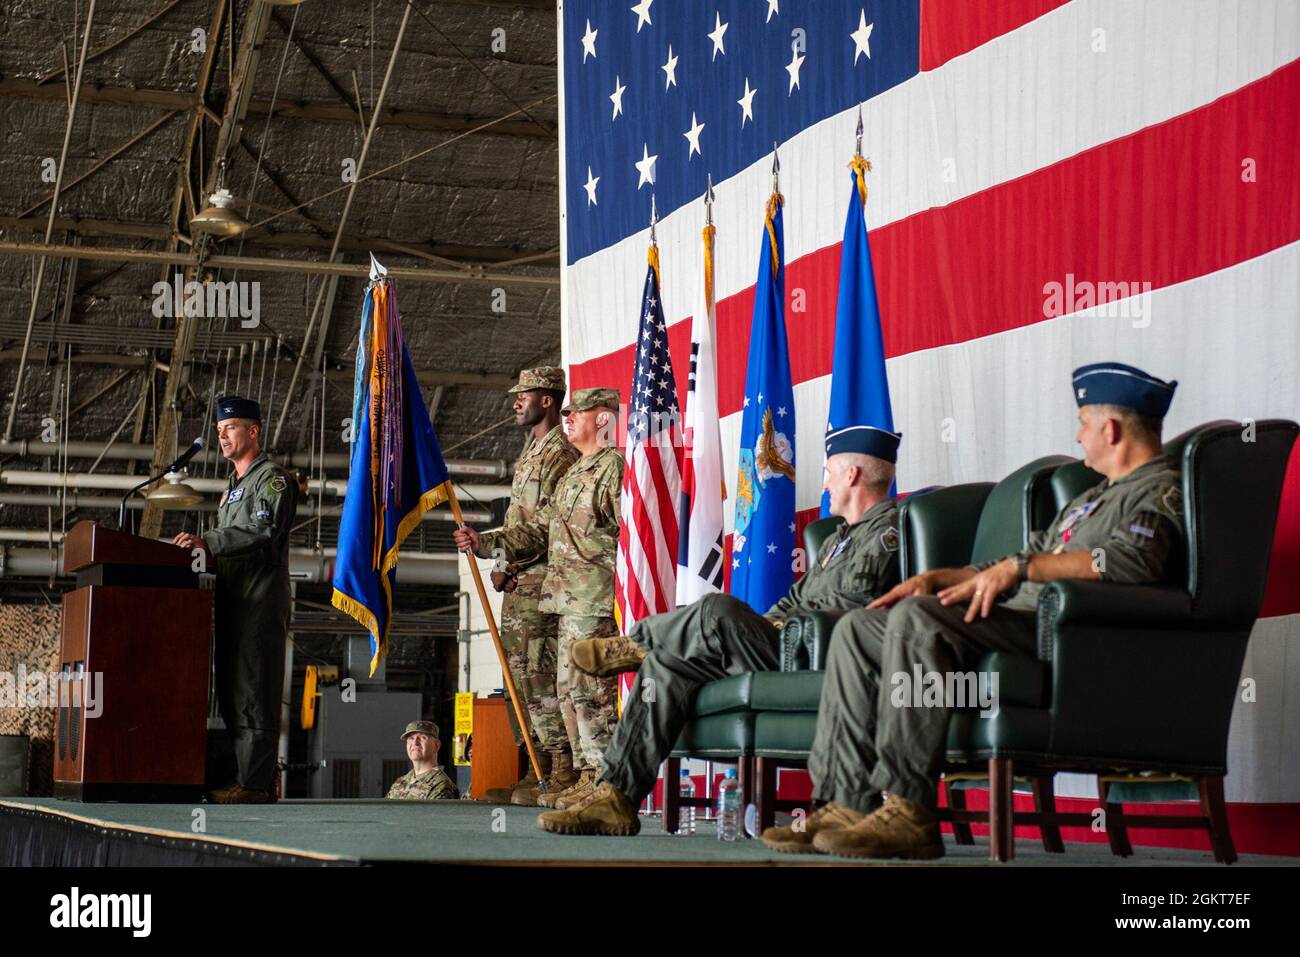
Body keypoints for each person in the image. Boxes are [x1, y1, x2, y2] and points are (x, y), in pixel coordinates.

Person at [762, 362, 1184, 858]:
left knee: (917, 619)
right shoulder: (1090, 500)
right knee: (859, 628)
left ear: (1110, 430)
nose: (1079, 434)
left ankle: (908, 809)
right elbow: (1015, 562)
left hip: (1062, 632)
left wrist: (1023, 569)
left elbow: (1129, 563)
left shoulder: (1159, 489)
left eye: (1084, 423)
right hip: (1018, 619)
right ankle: (847, 801)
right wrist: (942, 577)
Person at [537, 425, 906, 836]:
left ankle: (636, 642)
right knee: (666, 667)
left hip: (817, 659)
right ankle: (616, 796)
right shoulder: (837, 540)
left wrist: (776, 624)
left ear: (852, 475)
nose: (825, 482)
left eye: (829, 472)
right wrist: (768, 622)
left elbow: (854, 602)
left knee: (715, 608)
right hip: (786, 647)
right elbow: (791, 601)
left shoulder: (889, 531)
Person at [453, 388, 624, 813]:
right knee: (567, 690)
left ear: (602, 419)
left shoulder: (613, 469)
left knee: (593, 692)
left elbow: (633, 539)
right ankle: (586, 776)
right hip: (565, 601)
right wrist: (486, 541)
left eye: (577, 412)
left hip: (595, 598)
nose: (568, 418)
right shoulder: (574, 474)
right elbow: (538, 530)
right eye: (566, 412)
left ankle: (606, 781)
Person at [172, 395, 298, 805]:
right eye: (219, 431)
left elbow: (261, 531)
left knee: (253, 690)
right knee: (232, 689)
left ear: (253, 431)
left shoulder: (272, 479)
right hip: (233, 600)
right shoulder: (235, 487)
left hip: (258, 603)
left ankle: (256, 784)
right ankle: (247, 777)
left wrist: (206, 540)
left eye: (230, 428)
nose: (222, 436)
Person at [483, 367, 581, 806]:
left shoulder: (561, 454)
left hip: (543, 585)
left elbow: (546, 528)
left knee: (541, 677)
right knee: (517, 679)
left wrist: (490, 545)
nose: (515, 402)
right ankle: (534, 768)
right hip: (519, 583)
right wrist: (503, 562)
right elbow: (517, 520)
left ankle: (560, 769)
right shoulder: (530, 452)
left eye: (523, 396)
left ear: (547, 400)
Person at [387, 720, 460, 800]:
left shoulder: (441, 785)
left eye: (422, 738)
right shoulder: (400, 783)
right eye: (411, 738)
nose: (415, 743)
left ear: (436, 745)